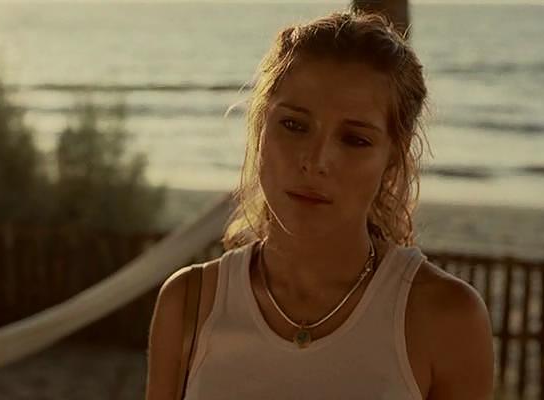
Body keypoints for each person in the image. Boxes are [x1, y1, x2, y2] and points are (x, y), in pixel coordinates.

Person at [146, 10, 494, 400]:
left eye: (354, 140)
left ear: (392, 160)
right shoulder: (190, 305)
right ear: (260, 128)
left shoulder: (445, 320)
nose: (316, 161)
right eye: (294, 125)